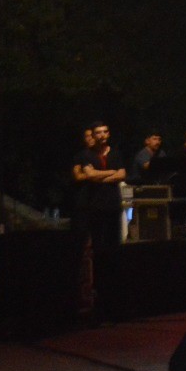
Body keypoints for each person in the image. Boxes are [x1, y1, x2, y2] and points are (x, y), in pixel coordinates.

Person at [74, 122, 127, 318]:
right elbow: (88, 175)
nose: (102, 135)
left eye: (105, 131)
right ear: (93, 135)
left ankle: (114, 296)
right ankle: (99, 296)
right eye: (98, 132)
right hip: (95, 207)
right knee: (99, 250)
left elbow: (122, 174)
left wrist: (100, 176)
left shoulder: (116, 153)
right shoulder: (86, 155)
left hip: (113, 206)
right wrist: (111, 173)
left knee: (114, 248)